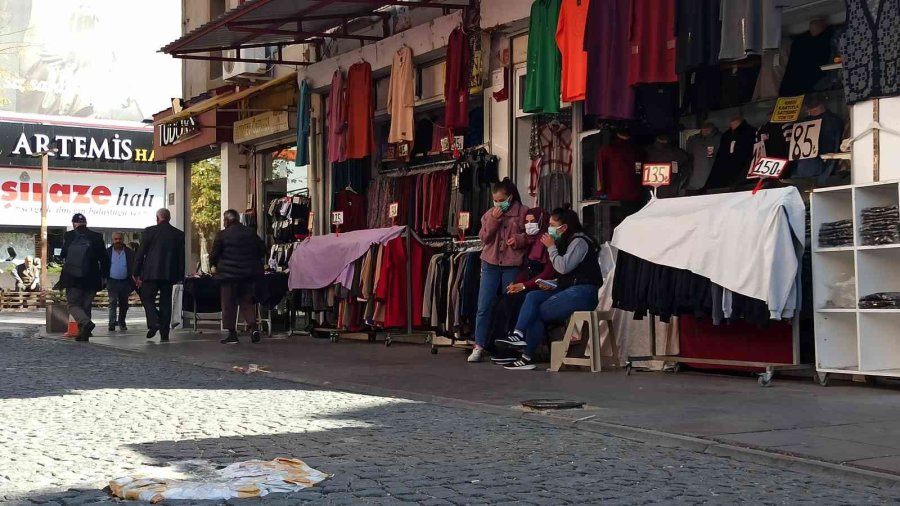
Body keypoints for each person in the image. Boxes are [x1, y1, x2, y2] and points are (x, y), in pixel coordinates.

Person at [497, 205, 603, 370]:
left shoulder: (579, 241)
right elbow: (567, 276)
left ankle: (527, 357)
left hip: (583, 293)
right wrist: (551, 284)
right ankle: (518, 334)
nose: (550, 229)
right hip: (570, 289)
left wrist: (551, 247)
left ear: (564, 227)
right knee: (532, 297)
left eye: (553, 225)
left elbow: (563, 267)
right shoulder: (568, 241)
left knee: (537, 312)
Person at [468, 178, 531, 363]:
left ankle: (507, 345)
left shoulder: (523, 212)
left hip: (512, 264)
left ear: (510, 197)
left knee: (509, 305)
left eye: (501, 199)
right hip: (490, 263)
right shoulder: (489, 214)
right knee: (484, 305)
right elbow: (484, 238)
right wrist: (494, 220)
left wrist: (519, 240)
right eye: (495, 200)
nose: (498, 203)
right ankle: (479, 345)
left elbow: (530, 236)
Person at [486, 207, 556, 363]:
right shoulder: (531, 242)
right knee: (500, 301)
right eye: (527, 222)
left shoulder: (550, 242)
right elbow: (527, 267)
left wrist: (524, 285)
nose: (530, 225)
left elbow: (548, 273)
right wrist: (516, 283)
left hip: (541, 286)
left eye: (533, 221)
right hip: (529, 283)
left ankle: (513, 349)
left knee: (515, 302)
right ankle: (500, 350)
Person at [210, 209, 266, 345]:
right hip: (247, 275)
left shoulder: (222, 235)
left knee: (228, 304)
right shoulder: (250, 233)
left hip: (228, 277)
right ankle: (253, 328)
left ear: (228, 220)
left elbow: (214, 254)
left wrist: (213, 265)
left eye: (224, 220)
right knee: (247, 302)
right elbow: (262, 249)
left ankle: (232, 334)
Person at [133, 209, 185, 342]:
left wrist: (136, 272)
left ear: (157, 218)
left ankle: (155, 321)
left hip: (151, 272)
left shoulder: (149, 231)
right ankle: (164, 333)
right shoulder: (178, 234)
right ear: (169, 218)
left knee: (146, 297)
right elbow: (181, 257)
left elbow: (141, 253)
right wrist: (180, 275)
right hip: (169, 273)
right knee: (166, 302)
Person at [60, 213, 110, 341]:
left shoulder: (69, 235)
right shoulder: (97, 236)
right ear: (85, 223)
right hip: (92, 277)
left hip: (73, 277)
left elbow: (63, 254)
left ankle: (86, 324)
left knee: (73, 304)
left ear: (74, 224)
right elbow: (104, 259)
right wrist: (104, 277)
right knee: (86, 305)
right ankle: (84, 334)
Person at [106, 232, 135, 331]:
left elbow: (133, 266)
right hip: (112, 281)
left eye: (119, 239)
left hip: (125, 281)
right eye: (116, 239)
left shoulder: (129, 252)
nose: (118, 241)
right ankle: (112, 323)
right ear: (113, 240)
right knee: (112, 302)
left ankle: (122, 322)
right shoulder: (108, 252)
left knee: (124, 304)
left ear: (122, 240)